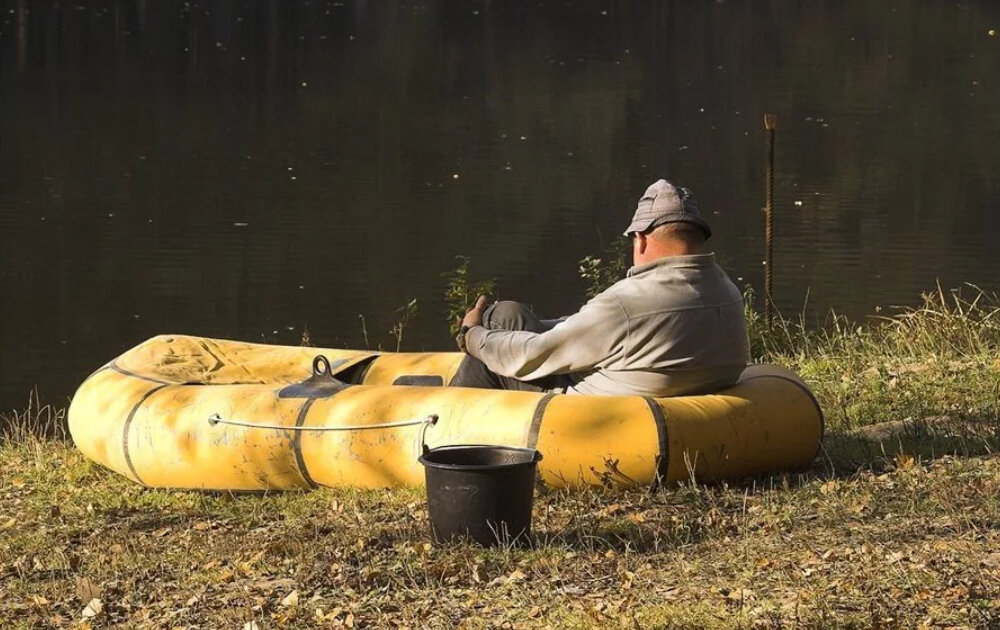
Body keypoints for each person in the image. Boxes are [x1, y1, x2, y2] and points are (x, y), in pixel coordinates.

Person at [448, 179, 748, 397]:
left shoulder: (627, 304)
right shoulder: (728, 293)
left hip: (584, 408)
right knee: (508, 315)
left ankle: (441, 429)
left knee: (491, 348)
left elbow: (530, 357)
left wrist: (472, 335)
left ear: (640, 239)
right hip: (663, 387)